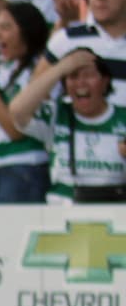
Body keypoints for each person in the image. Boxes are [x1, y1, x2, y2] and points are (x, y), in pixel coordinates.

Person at [9, 49, 126, 203]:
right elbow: (17, 111)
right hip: (62, 210)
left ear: (105, 82)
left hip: (114, 210)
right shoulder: (57, 114)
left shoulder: (123, 117)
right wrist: (60, 68)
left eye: (88, 75)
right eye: (73, 76)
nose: (81, 83)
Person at [0, 1, 51, 202]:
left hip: (25, 167)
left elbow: (16, 130)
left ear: (27, 30)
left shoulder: (38, 71)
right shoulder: (6, 70)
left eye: (5, 27)